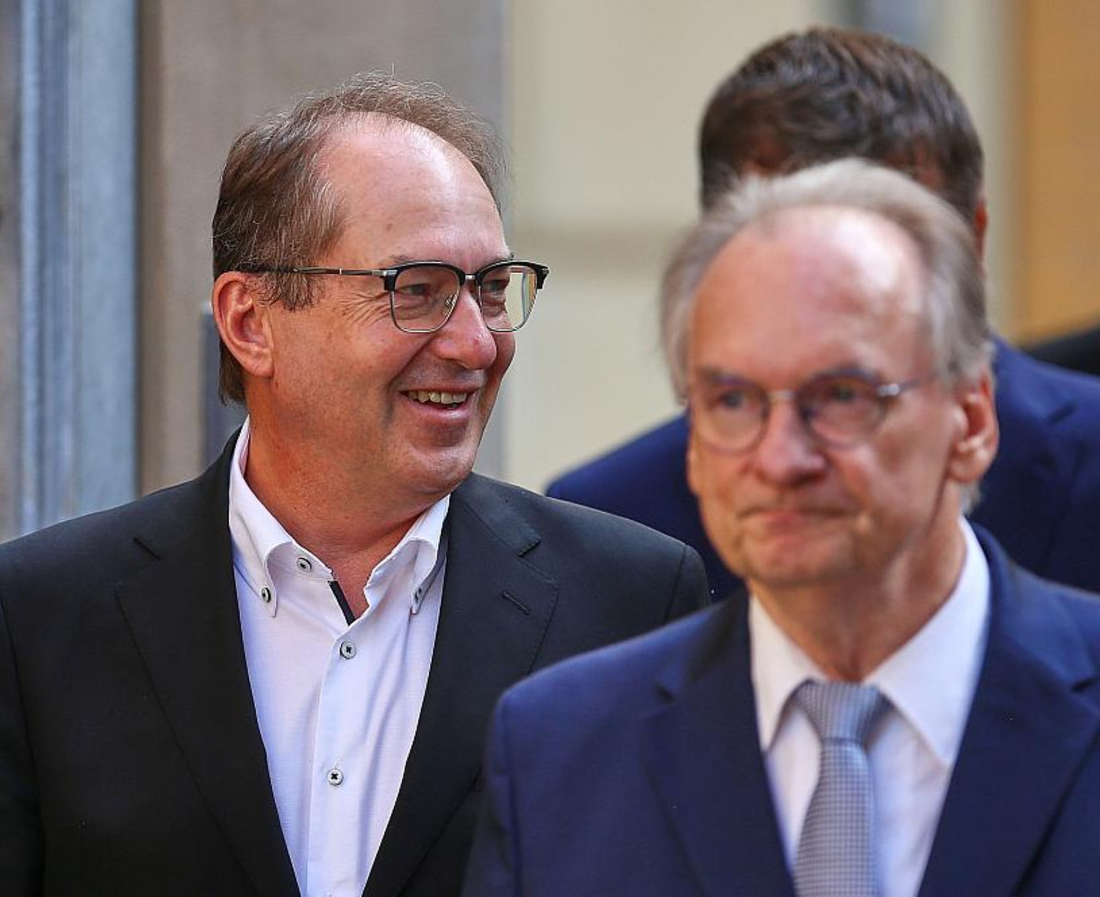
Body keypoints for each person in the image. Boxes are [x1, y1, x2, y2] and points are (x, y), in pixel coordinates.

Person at [0, 74, 705, 896]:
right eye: (417, 290)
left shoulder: (631, 602)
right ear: (250, 322)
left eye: (492, 290)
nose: (476, 344)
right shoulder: (39, 618)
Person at [465, 159, 1100, 897]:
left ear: (972, 419)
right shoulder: (561, 752)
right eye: (733, 400)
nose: (780, 459)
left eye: (842, 395)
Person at [547, 27, 1100, 600]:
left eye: (887, 245)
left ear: (974, 241)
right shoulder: (609, 525)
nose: (784, 458)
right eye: (782, 241)